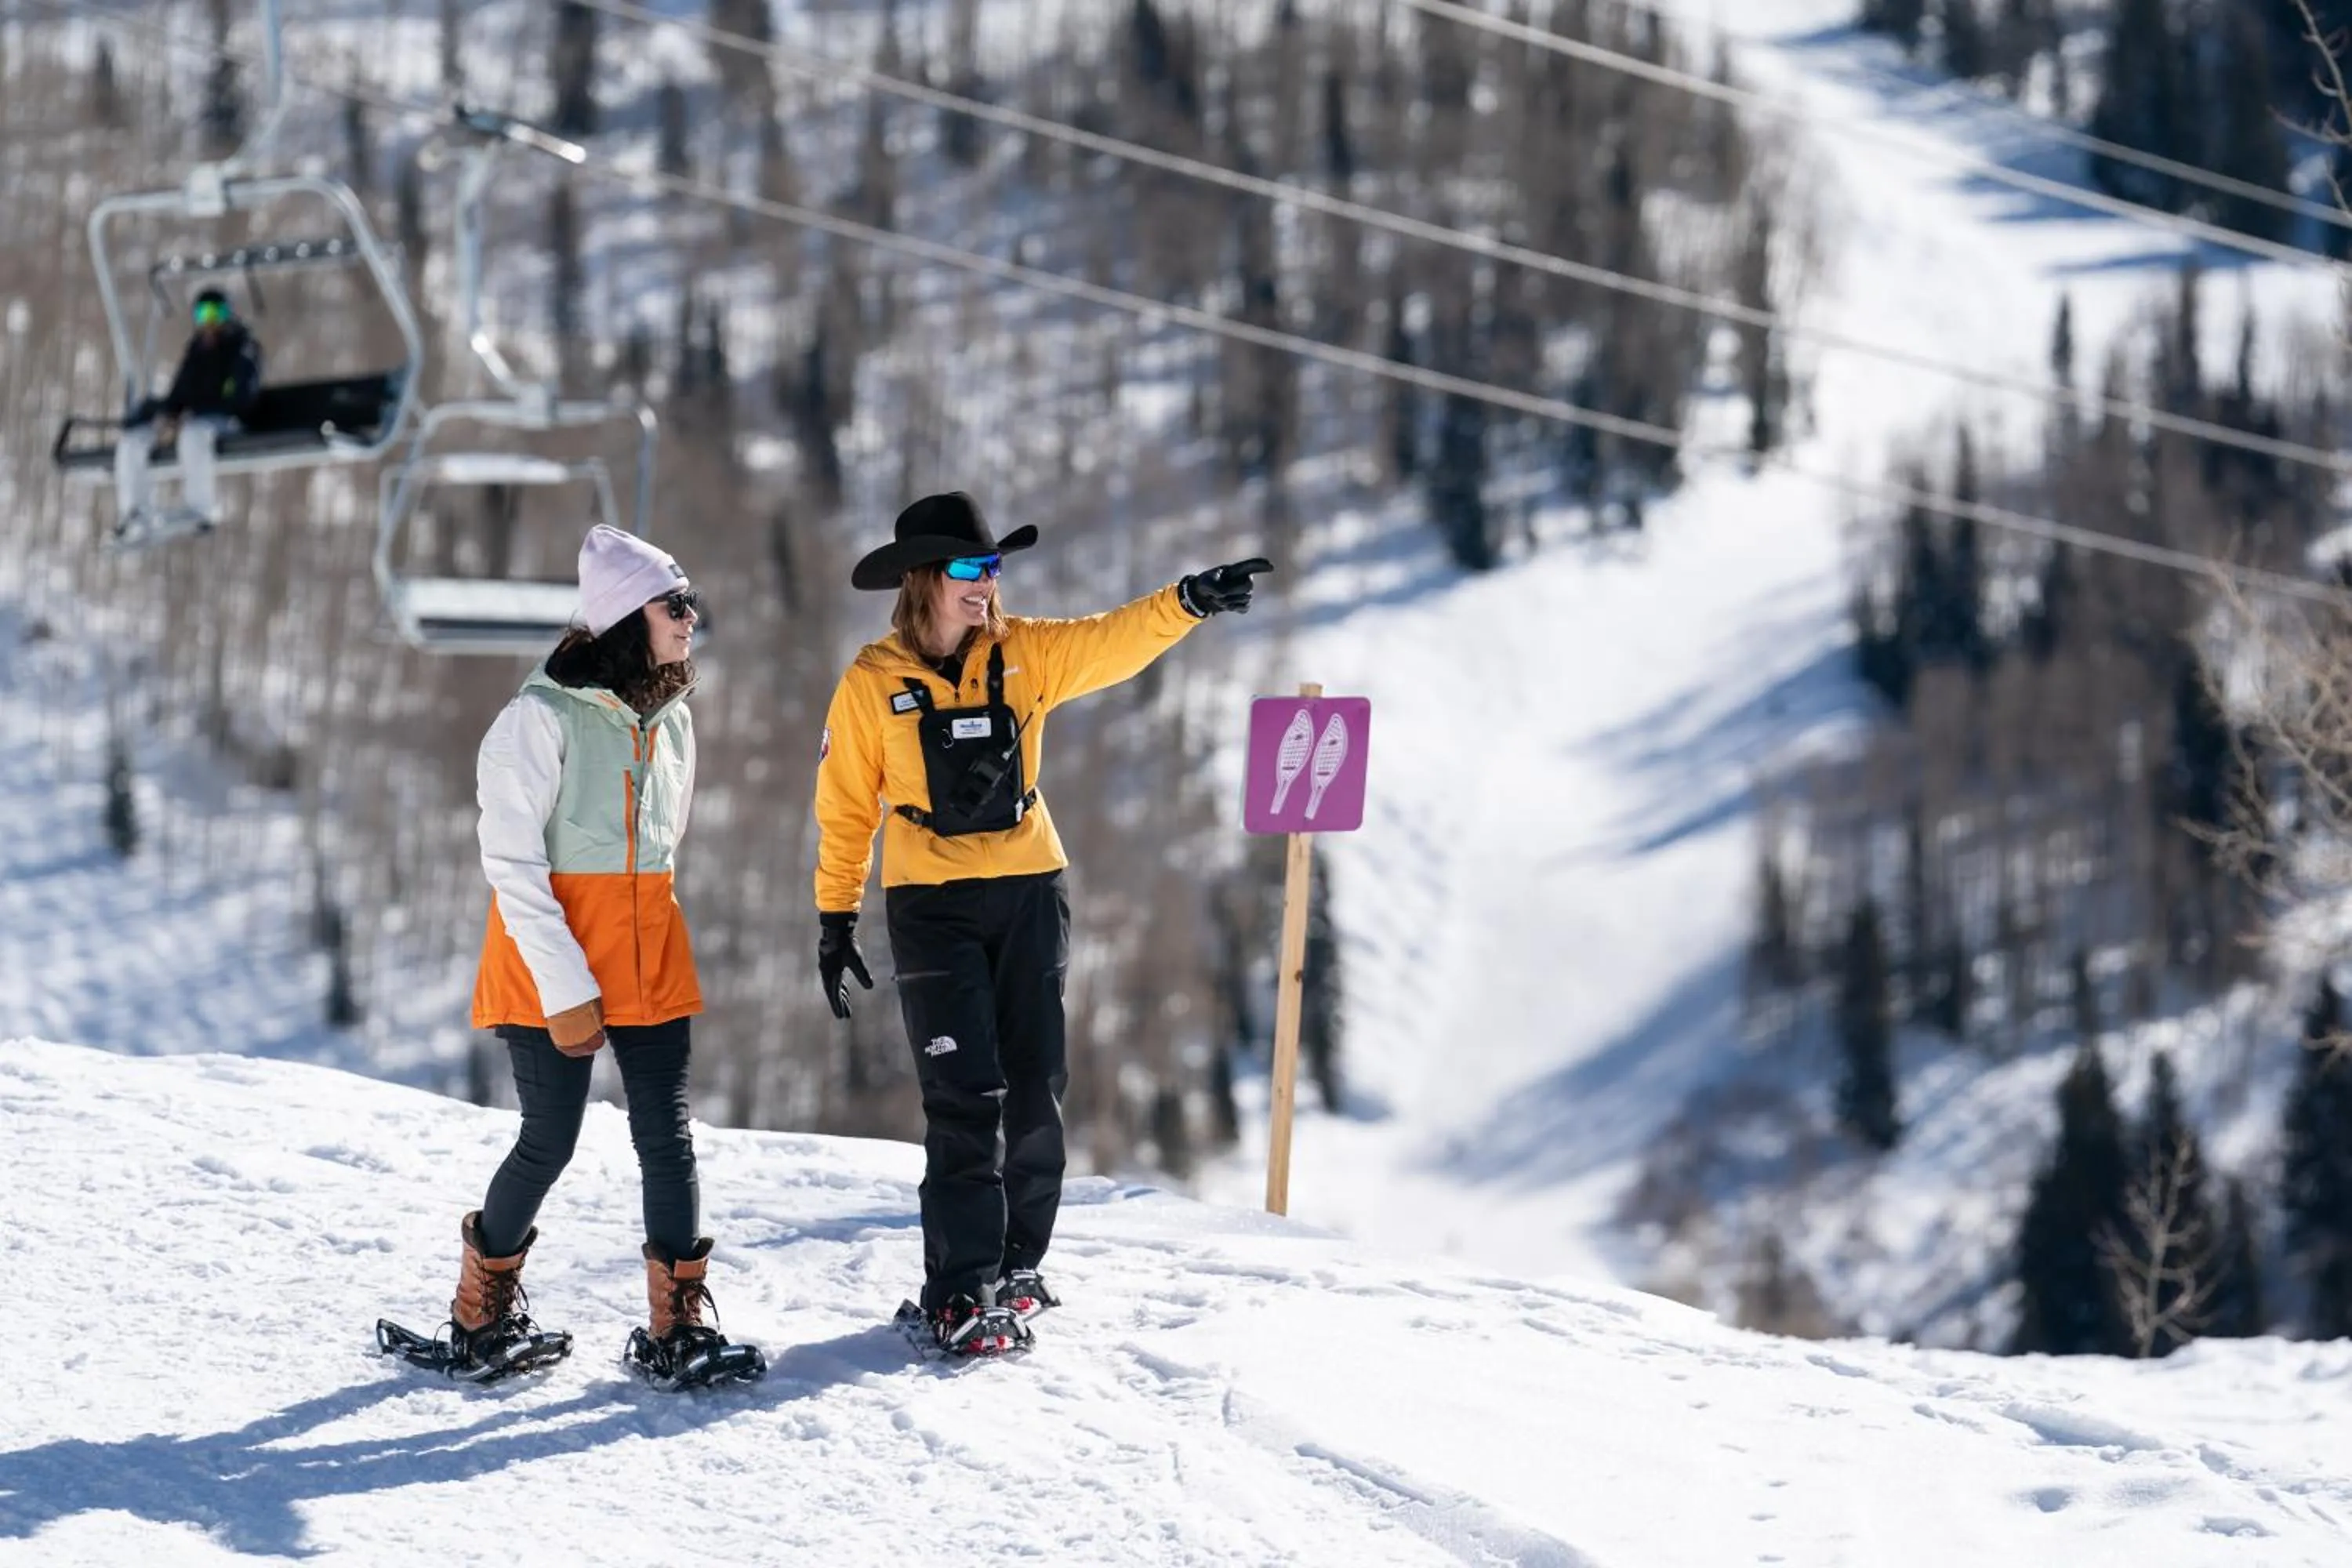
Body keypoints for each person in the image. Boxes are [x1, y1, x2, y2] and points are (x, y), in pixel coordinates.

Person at [813, 489, 1271, 1358]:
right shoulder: (871, 682)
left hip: (1030, 886)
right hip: (931, 902)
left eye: (992, 566)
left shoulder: (1026, 654)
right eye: (966, 568)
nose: (985, 582)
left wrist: (1190, 599)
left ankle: (1017, 1265)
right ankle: (957, 1290)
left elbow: (1114, 637)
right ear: (920, 580)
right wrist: (835, 914)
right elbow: (844, 812)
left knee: (1033, 1092)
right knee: (963, 1098)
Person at [377, 524, 763, 1389]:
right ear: (630, 614)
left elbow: (663, 851)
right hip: (550, 962)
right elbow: (512, 865)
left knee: (668, 1140)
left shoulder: (675, 723)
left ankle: (677, 1327)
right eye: (677, 603)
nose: (693, 617)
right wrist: (567, 985)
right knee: (550, 1137)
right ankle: (480, 1313)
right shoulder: (535, 719)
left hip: (651, 958)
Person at [114, 287, 263, 541]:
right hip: (193, 422)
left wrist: (192, 416)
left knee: (193, 436)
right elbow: (179, 394)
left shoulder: (243, 349)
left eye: (216, 314)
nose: (209, 323)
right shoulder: (196, 351)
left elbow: (240, 398)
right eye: (203, 315)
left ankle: (201, 508)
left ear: (229, 316)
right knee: (133, 441)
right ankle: (135, 510)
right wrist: (163, 416)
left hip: (228, 422)